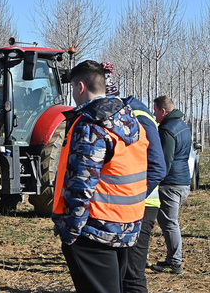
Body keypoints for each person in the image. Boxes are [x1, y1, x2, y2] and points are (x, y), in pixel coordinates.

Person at [52, 60, 148, 293]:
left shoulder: (92, 124)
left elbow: (81, 183)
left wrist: (71, 231)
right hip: (126, 226)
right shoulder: (130, 119)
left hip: (95, 230)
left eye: (73, 88)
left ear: (80, 87)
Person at [101, 62, 167, 293]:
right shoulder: (122, 113)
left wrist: (133, 196)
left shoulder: (138, 115)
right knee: (119, 273)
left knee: (132, 275)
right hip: (124, 206)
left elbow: (158, 167)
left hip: (141, 204)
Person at [150, 95, 192, 275]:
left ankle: (175, 263)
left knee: (169, 224)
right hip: (183, 182)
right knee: (169, 222)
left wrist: (152, 181)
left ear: (163, 111)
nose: (154, 114)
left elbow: (164, 162)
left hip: (171, 184)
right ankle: (172, 259)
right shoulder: (183, 126)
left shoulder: (166, 130)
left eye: (155, 111)